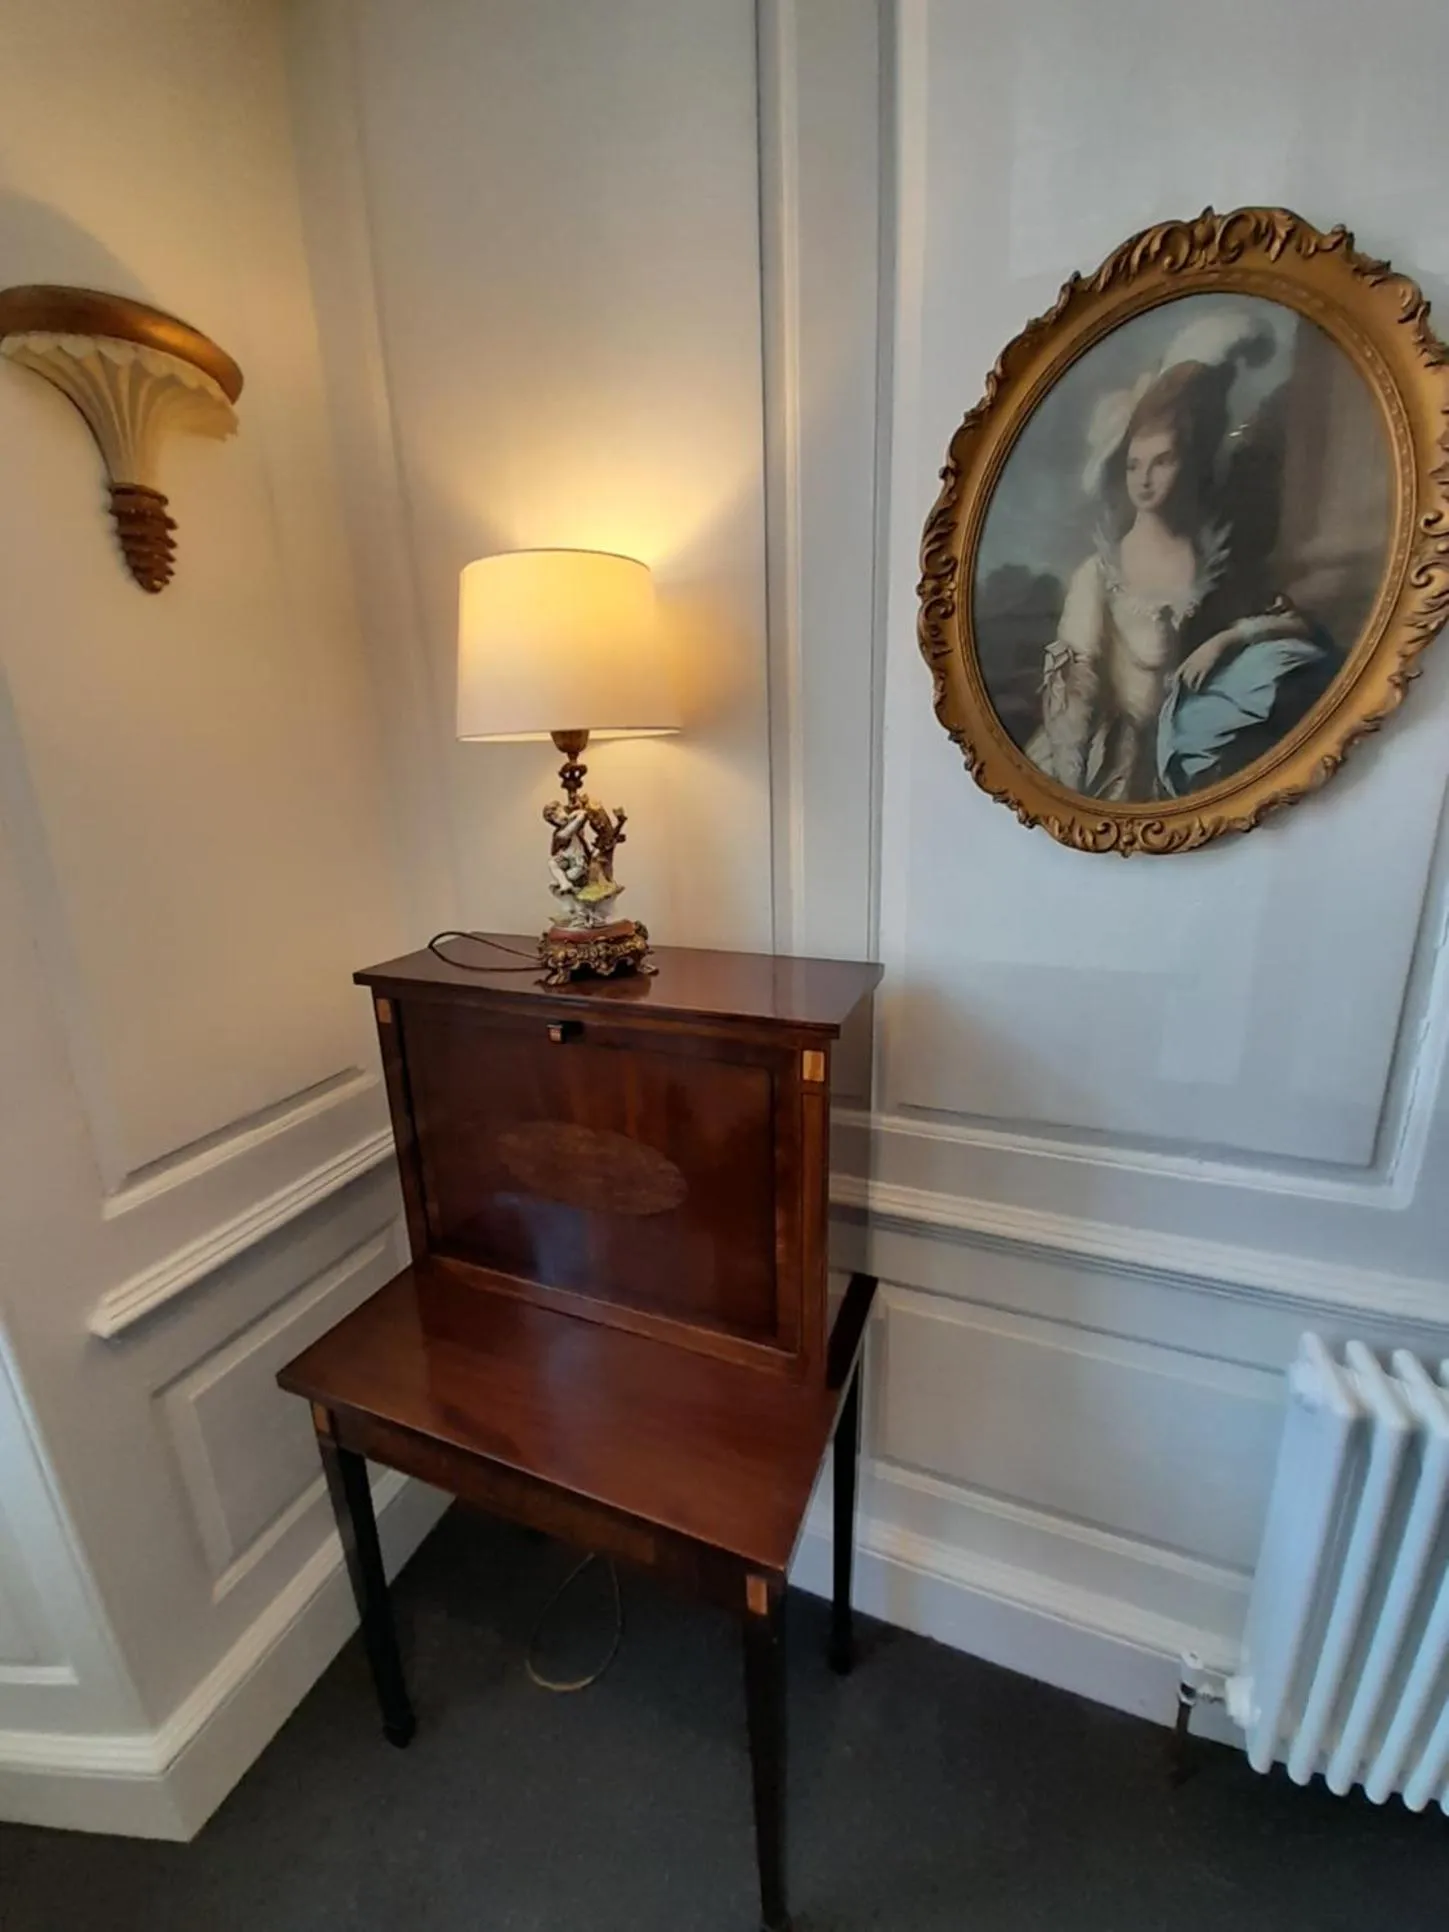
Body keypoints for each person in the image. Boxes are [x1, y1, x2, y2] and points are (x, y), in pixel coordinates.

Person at [1026, 310, 1337, 802]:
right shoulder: (1100, 574)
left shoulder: (1215, 562)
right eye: (1133, 465)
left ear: (1190, 462)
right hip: (1111, 763)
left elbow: (1296, 629)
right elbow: (1077, 692)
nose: (1145, 479)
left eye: (1162, 461)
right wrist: (1070, 792)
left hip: (1186, 745)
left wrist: (1227, 639)